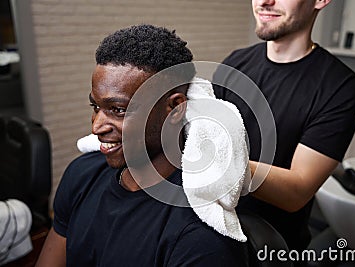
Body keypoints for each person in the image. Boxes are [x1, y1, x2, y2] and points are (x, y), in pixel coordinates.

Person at [36, 24, 248, 267]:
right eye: (96, 107)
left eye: (118, 110)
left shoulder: (197, 236)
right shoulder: (81, 174)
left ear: (176, 108)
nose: (96, 127)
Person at [213, 0, 355, 259]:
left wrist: (217, 160)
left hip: (269, 249)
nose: (264, 2)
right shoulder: (235, 63)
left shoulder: (340, 86)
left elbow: (296, 191)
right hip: (208, 231)